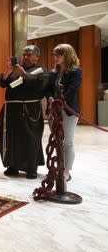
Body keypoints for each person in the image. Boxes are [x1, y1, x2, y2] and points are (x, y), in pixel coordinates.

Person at [0, 45, 48, 179]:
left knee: (30, 139)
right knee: (11, 139)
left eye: (29, 54)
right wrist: (7, 71)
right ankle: (13, 166)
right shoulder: (15, 71)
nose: (25, 57)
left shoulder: (41, 71)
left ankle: (31, 168)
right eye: (24, 54)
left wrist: (24, 74)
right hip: (11, 111)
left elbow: (39, 85)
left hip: (29, 110)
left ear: (37, 56)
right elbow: (1, 82)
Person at [46, 44, 82, 182]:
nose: (55, 57)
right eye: (54, 55)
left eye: (58, 55)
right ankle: (59, 168)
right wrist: (50, 98)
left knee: (67, 142)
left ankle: (66, 171)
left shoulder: (76, 72)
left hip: (68, 111)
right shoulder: (53, 73)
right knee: (57, 141)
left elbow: (72, 90)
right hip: (53, 111)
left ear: (67, 55)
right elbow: (48, 89)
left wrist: (60, 101)